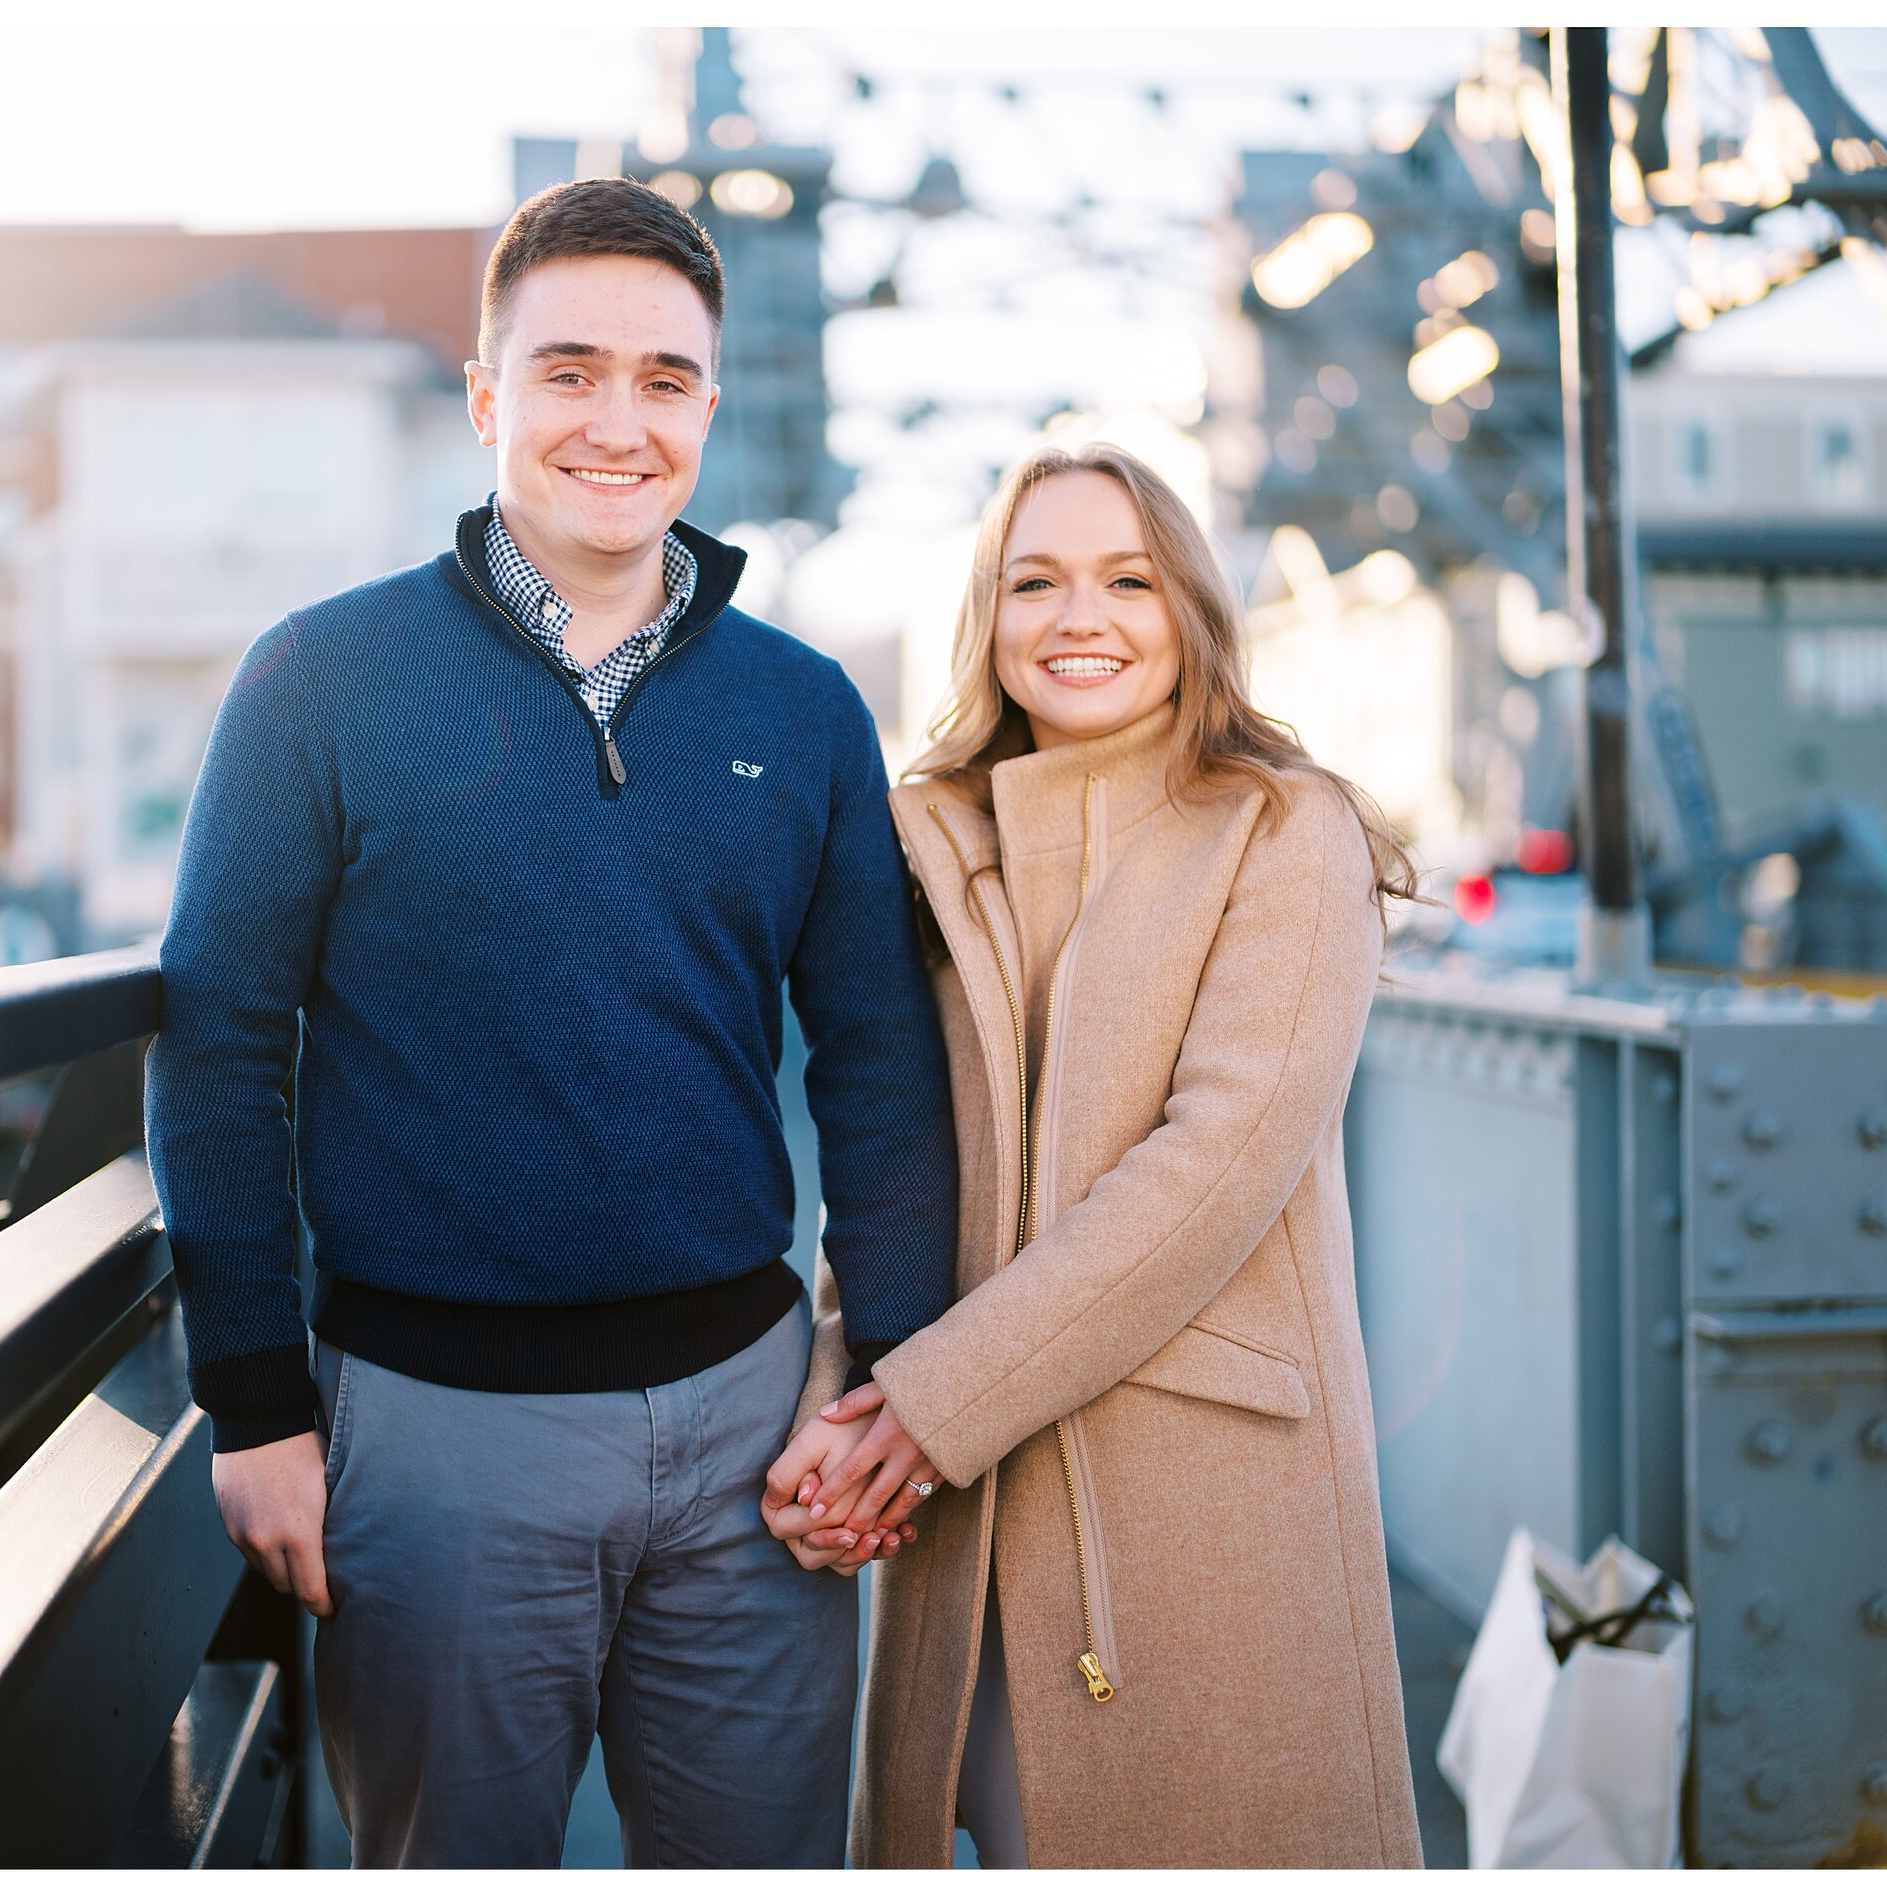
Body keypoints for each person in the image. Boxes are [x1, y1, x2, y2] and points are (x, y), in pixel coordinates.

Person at [143, 177, 959, 1867]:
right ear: (486, 395)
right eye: (570, 368)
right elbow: (223, 1036)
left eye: (667, 380)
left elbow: (879, 1058)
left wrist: (875, 1369)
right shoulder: (321, 681)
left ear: (708, 408)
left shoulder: (803, 710)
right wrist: (255, 1402)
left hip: (756, 1437)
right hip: (435, 1438)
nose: (618, 419)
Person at [762, 440, 1427, 1867]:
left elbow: (1218, 1167)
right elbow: (892, 1166)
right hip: (968, 1498)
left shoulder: (1283, 826)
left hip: (1196, 1505)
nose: (1082, 616)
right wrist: (840, 1399)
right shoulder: (931, 843)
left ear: (1190, 611)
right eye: (1036, 581)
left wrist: (917, 1412)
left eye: (1129, 580)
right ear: (986, 622)